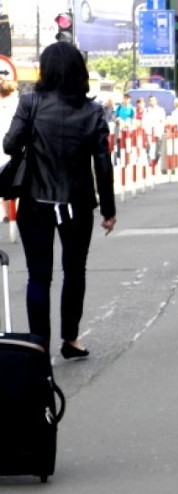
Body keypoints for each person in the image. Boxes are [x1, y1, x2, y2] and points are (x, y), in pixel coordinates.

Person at [3, 42, 116, 358]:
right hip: (77, 204)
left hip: (35, 202)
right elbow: (103, 165)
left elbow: (10, 145)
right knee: (74, 271)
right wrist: (108, 210)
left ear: (45, 70)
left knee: (38, 276)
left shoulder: (30, 103)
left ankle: (38, 347)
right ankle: (71, 339)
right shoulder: (93, 111)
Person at [0, 79, 19, 223]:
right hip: (15, 147)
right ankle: (14, 212)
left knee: (4, 182)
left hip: (4, 147)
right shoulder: (18, 104)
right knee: (15, 180)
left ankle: (7, 213)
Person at [143, 94, 166, 165]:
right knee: (149, 146)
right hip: (149, 132)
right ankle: (150, 161)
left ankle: (155, 160)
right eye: (150, 100)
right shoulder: (146, 110)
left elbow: (163, 120)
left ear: (156, 101)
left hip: (158, 131)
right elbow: (144, 121)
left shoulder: (160, 110)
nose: (151, 102)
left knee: (158, 149)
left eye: (153, 100)